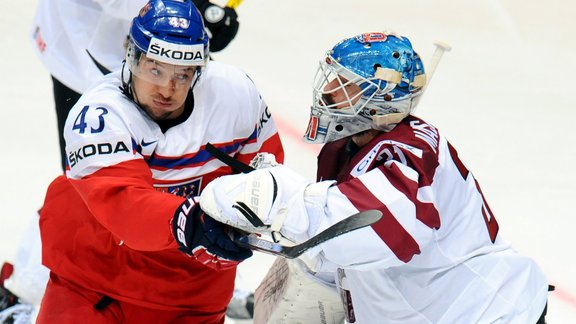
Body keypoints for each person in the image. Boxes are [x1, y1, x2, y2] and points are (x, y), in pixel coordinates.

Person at [198, 32, 551, 323]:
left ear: (378, 100)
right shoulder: (351, 148)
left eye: (343, 85)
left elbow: (378, 229)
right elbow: (339, 247)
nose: (327, 93)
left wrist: (279, 197)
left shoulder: (408, 155)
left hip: (488, 314)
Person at [29, 0, 281, 322]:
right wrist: (193, 222)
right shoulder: (98, 115)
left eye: (183, 73)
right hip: (95, 282)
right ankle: (19, 286)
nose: (167, 89)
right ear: (132, 58)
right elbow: (126, 207)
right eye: (155, 69)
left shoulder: (235, 95)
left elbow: (265, 171)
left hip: (192, 294)